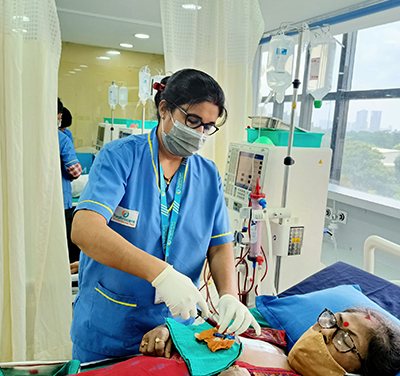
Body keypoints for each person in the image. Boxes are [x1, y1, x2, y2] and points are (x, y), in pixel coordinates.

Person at [70, 68, 261, 363]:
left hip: (173, 329)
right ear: (164, 109)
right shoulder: (121, 157)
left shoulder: (207, 175)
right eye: (192, 120)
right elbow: (84, 229)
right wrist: (161, 274)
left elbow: (220, 244)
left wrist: (229, 296)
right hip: (108, 327)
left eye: (208, 126)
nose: (198, 134)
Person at [140, 307, 400, 376]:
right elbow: (204, 329)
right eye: (333, 320)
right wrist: (168, 331)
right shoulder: (269, 334)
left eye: (345, 340)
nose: (325, 332)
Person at [57, 98, 82, 264]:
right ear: (58, 115)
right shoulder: (62, 138)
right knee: (66, 239)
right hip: (60, 198)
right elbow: (74, 170)